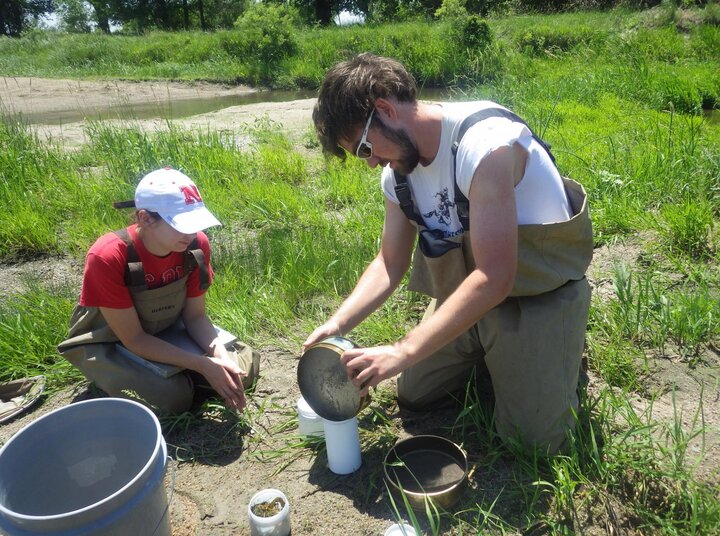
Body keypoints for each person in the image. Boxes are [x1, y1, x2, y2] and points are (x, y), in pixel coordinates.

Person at [305, 53, 593, 452]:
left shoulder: (485, 146)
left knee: (534, 442)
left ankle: (560, 347)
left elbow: (495, 276)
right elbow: (389, 262)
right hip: (468, 298)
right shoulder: (398, 175)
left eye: (363, 148)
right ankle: (500, 358)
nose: (370, 163)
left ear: (385, 109)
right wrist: (337, 325)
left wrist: (403, 350)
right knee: (415, 392)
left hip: (536, 297)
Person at [58, 167, 259, 414]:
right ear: (144, 218)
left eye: (194, 224)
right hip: (112, 340)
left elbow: (195, 317)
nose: (190, 234)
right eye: (180, 225)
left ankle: (192, 376)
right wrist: (202, 365)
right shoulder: (108, 256)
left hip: (167, 329)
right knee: (171, 399)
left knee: (242, 369)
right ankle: (180, 381)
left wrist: (220, 357)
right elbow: (133, 338)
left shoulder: (196, 246)